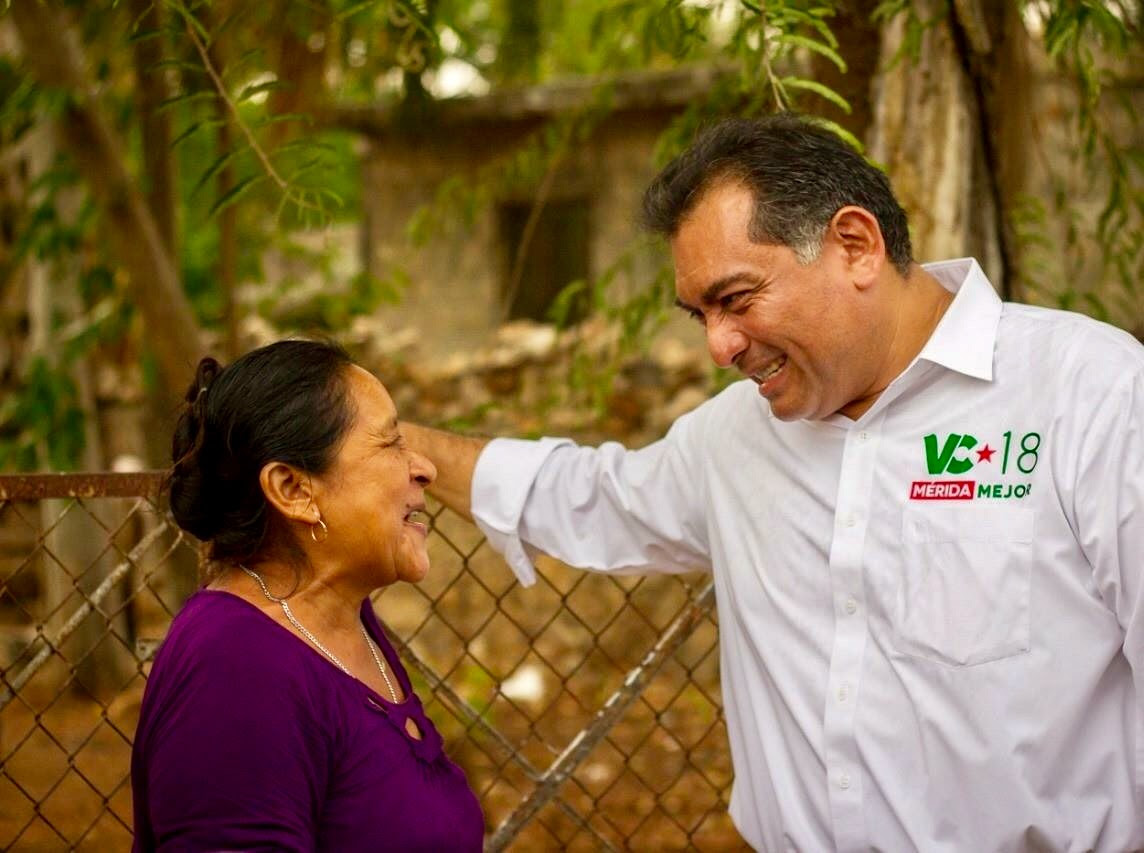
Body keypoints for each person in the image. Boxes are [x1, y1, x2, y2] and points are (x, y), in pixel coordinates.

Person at [402, 114, 1144, 851]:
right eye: (700, 314)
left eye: (737, 299)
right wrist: (403, 447)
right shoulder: (733, 438)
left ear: (854, 246)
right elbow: (587, 495)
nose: (718, 345)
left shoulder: (1090, 396)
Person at [131, 339, 484, 852]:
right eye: (390, 444)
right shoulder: (235, 664)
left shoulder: (341, 625)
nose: (424, 468)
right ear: (294, 489)